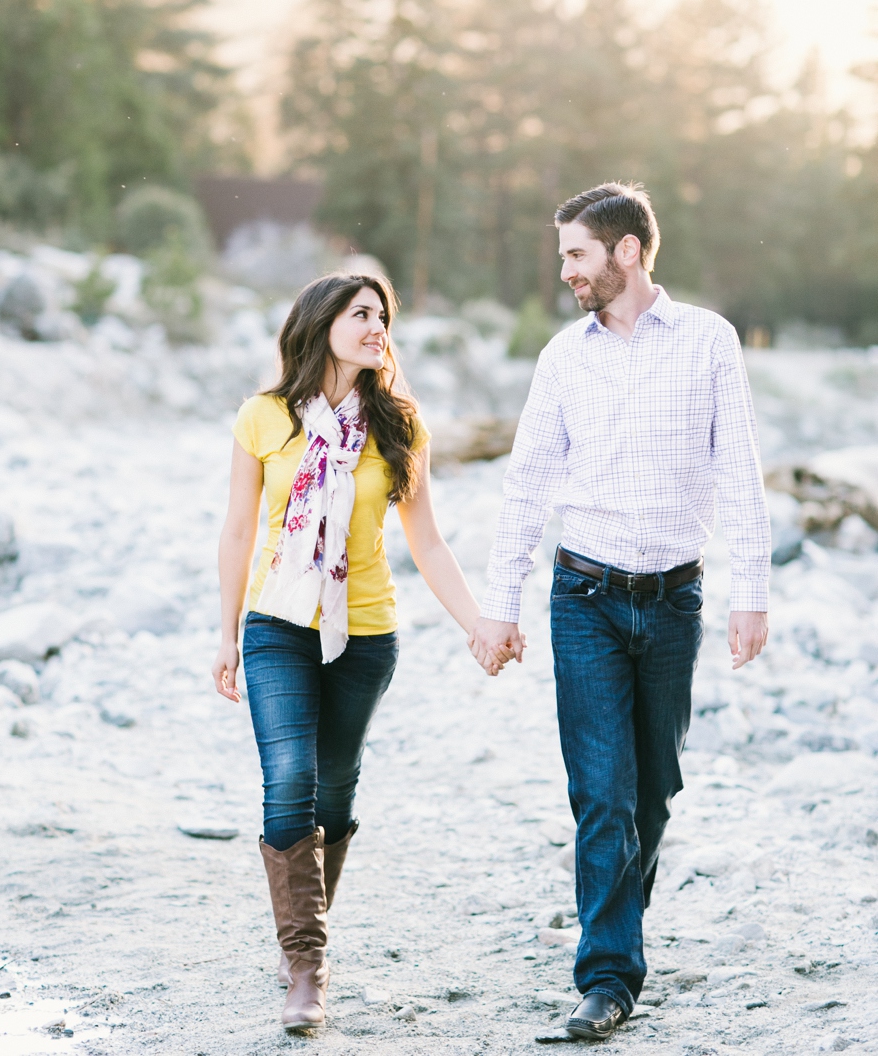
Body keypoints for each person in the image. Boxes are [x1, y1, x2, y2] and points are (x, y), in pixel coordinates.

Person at [469, 182, 770, 1042]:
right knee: (602, 794)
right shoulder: (564, 357)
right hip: (586, 598)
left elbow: (738, 472)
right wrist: (501, 607)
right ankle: (608, 976)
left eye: (575, 254)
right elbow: (525, 484)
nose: (565, 270)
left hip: (676, 600)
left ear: (626, 251)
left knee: (655, 790)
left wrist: (751, 593)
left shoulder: (710, 342)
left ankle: (616, 916)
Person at [212, 271, 511, 1033]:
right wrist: (224, 635)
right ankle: (307, 966)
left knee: (337, 790)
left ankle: (299, 936)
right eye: (362, 313)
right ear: (322, 324)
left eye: (384, 315)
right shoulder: (263, 418)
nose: (379, 325)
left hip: (366, 631)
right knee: (291, 778)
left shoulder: (400, 424)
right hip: (277, 622)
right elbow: (240, 532)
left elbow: (429, 542)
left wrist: (477, 621)